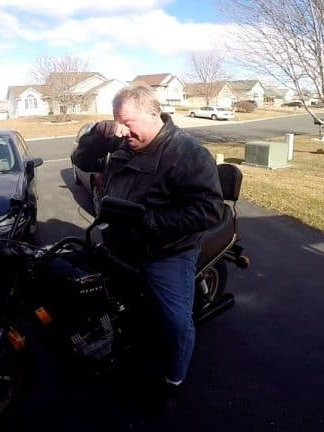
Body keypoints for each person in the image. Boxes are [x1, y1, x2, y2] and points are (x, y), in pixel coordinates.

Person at [71, 85, 224, 409]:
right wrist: (99, 135)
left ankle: (174, 379)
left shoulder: (186, 153)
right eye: (118, 123)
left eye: (129, 122)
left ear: (154, 114)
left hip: (165, 252)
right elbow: (81, 159)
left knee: (175, 321)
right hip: (119, 243)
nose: (124, 131)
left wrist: (149, 222)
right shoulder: (125, 142)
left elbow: (210, 209)